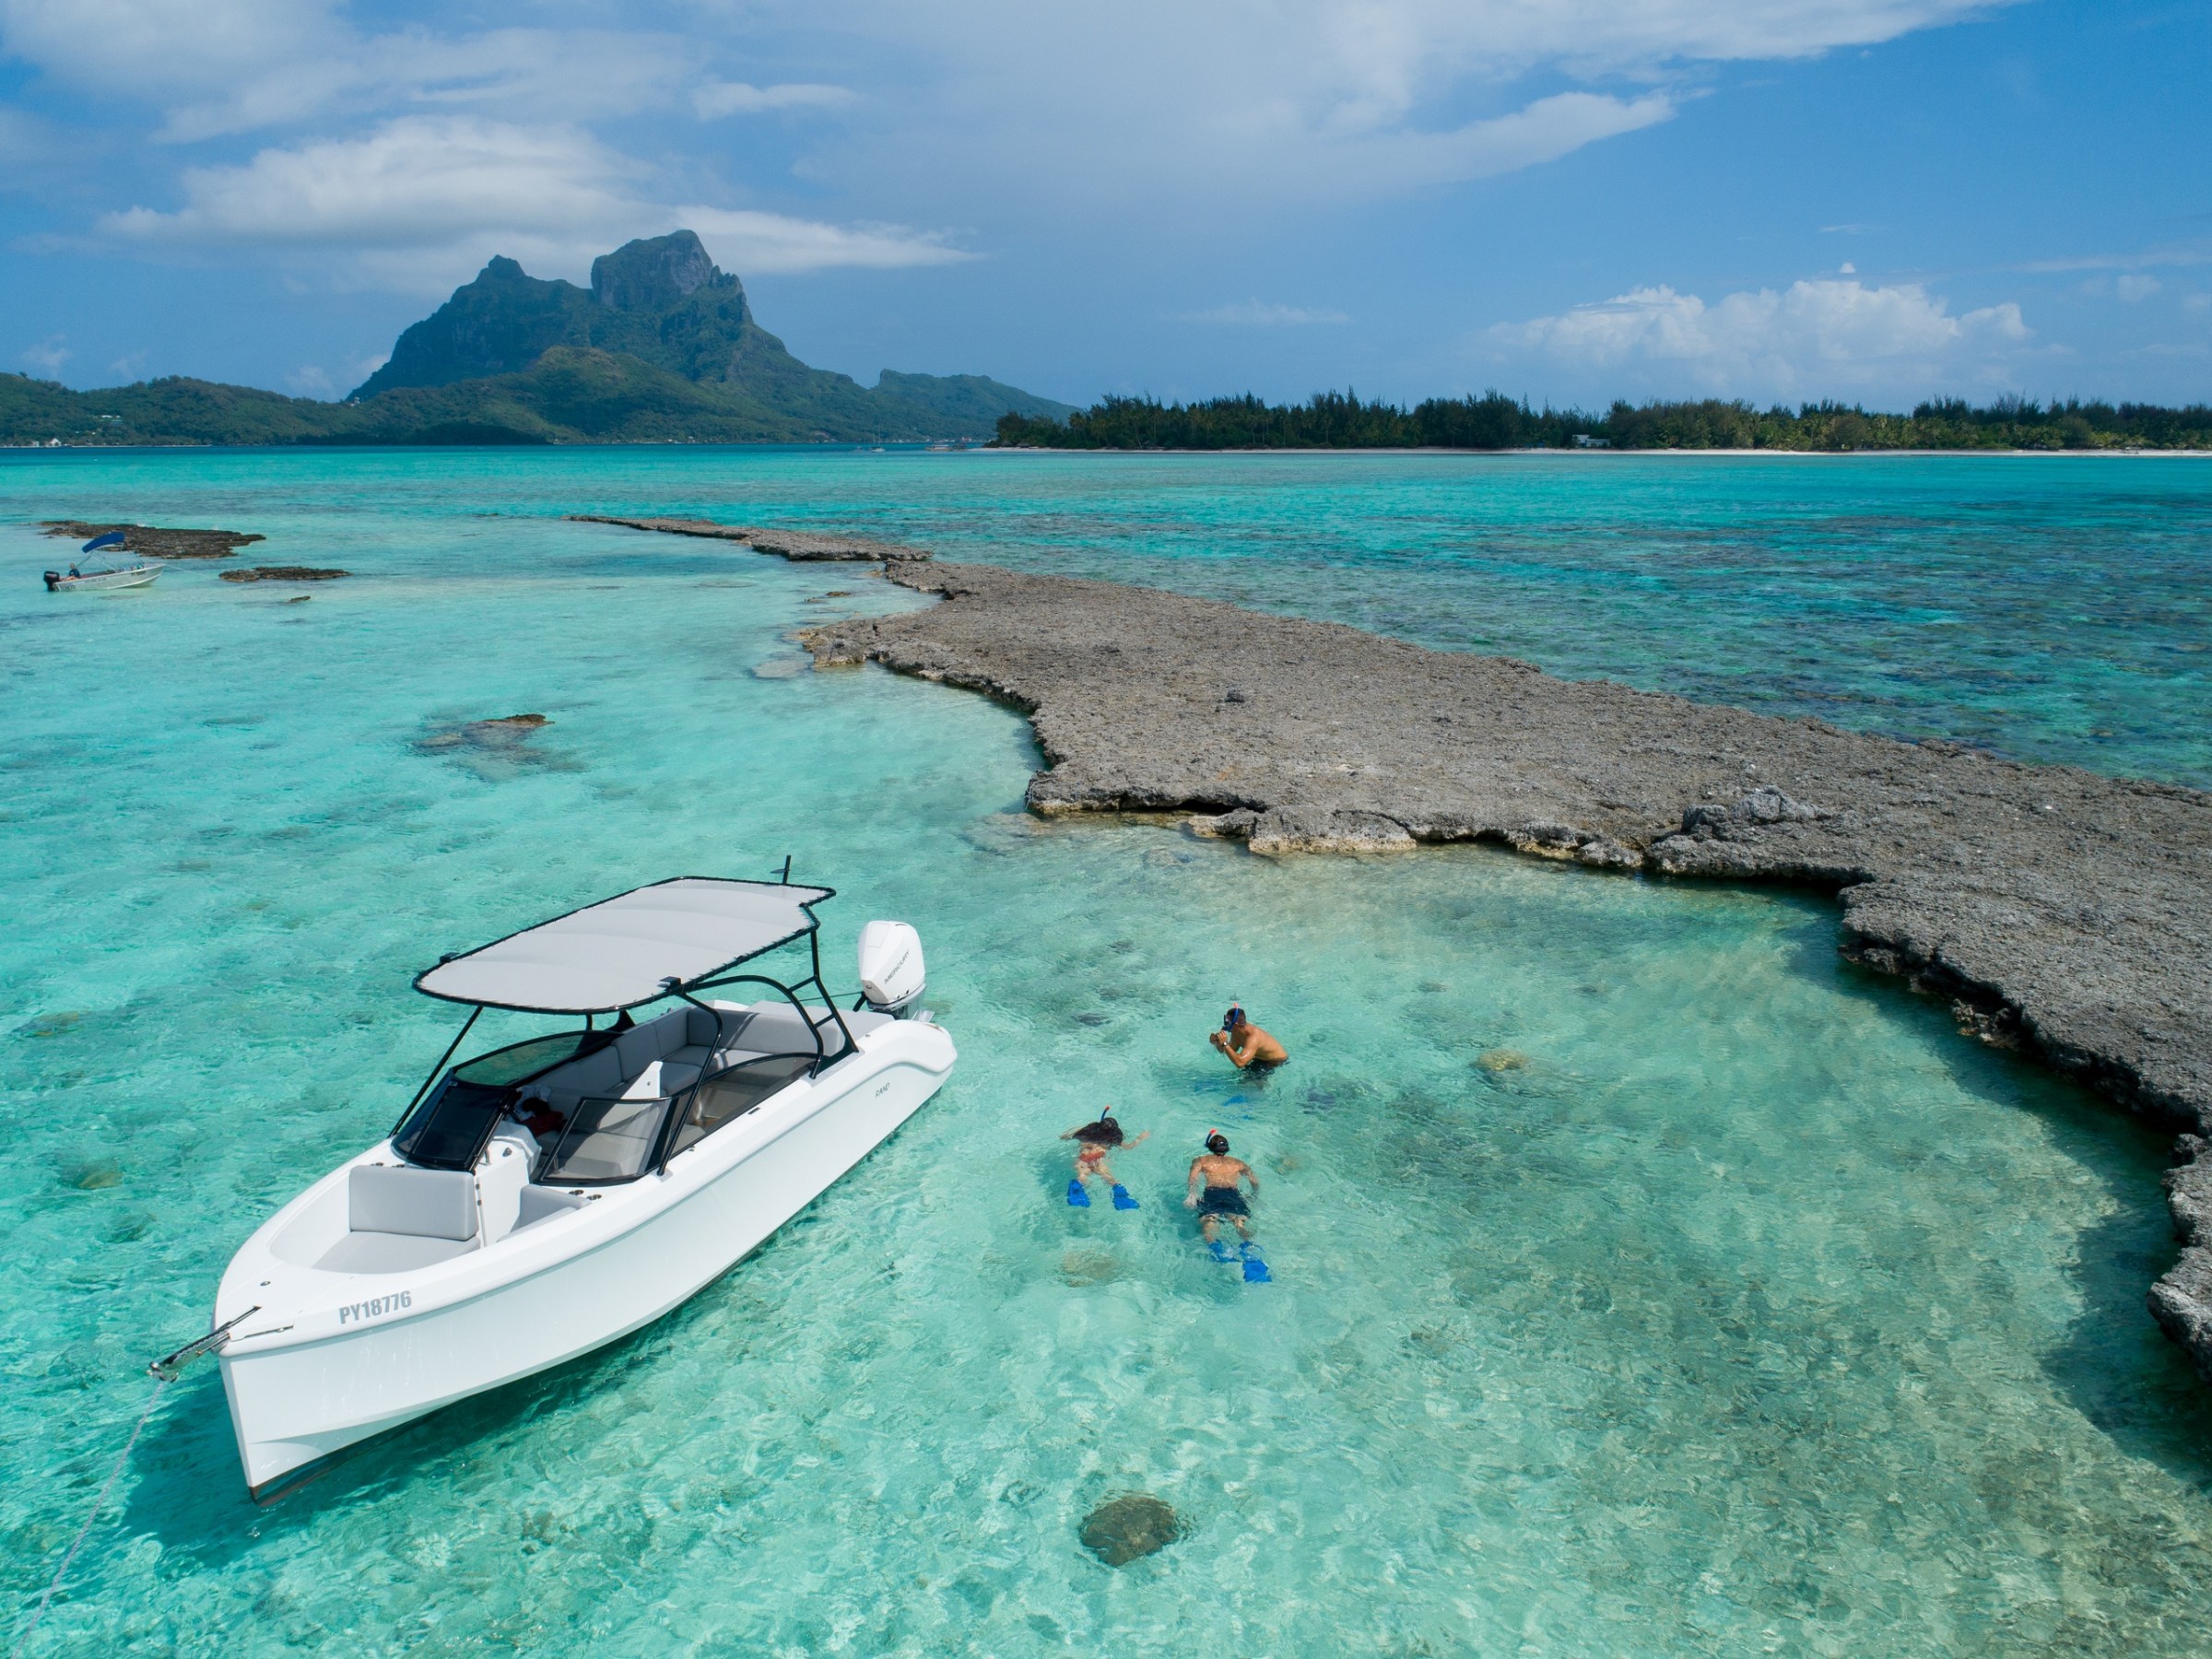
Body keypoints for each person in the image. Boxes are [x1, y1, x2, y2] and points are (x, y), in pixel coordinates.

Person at [1059, 1109, 1147, 1208]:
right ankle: (1122, 1199)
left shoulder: (1089, 1131)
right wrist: (1140, 1138)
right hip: (1098, 1159)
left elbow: (1067, 1136)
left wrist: (1070, 1134)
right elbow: (1128, 1147)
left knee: (1082, 1177)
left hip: (1084, 1158)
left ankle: (1076, 1197)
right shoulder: (1113, 1138)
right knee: (1110, 1178)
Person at [1208, 1004, 1288, 1071]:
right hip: (1259, 1059)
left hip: (1275, 1061)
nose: (1225, 1025)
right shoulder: (1236, 1031)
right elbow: (1228, 1051)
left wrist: (1225, 1043)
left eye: (1227, 1022)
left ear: (1235, 1024)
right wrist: (1217, 1042)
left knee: (1248, 1085)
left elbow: (1240, 1063)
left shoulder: (1254, 1037)